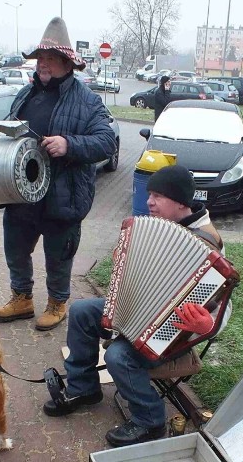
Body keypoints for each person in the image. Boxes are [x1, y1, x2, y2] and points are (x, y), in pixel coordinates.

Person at [43, 165, 229, 447]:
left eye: (157, 196)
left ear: (180, 201)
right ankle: (84, 389)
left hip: (173, 332)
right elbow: (138, 275)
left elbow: (222, 308)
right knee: (81, 311)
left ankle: (150, 420)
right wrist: (123, 262)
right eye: (149, 194)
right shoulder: (154, 228)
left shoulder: (208, 243)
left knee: (118, 355)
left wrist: (207, 326)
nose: (149, 202)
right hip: (136, 313)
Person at [0, 17, 116, 331]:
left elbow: (105, 141)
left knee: (58, 256)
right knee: (15, 248)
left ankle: (57, 304)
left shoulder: (88, 101)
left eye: (50, 59)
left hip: (63, 194)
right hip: (21, 192)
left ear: (66, 63)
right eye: (40, 59)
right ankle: (22, 299)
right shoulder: (26, 94)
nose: (42, 64)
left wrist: (68, 144)